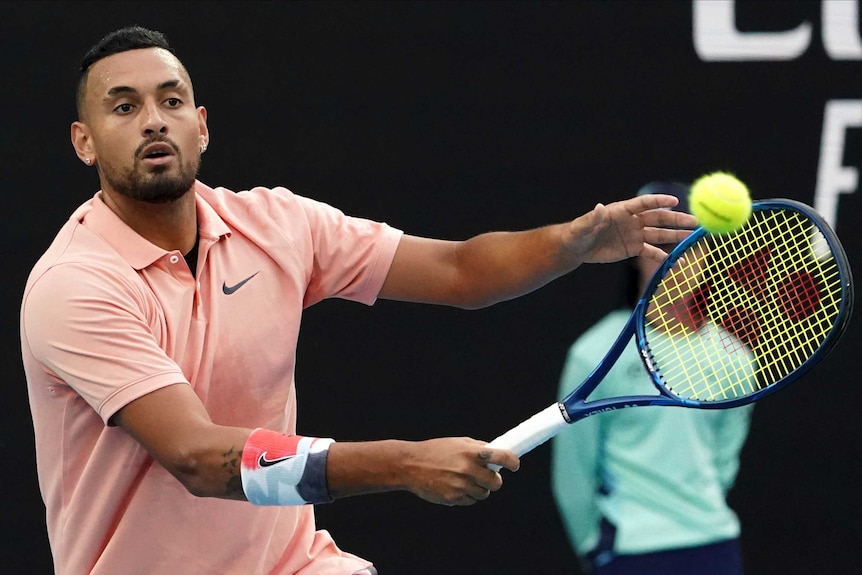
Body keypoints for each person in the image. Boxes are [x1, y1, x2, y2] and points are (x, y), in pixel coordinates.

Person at [20, 26, 695, 575]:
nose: (152, 121)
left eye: (171, 101)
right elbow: (198, 457)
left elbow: (459, 269)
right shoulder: (76, 285)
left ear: (201, 126)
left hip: (293, 564)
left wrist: (573, 242)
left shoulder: (277, 226)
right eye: (123, 106)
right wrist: (406, 462)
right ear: (84, 142)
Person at [550, 181, 755, 575]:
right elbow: (573, 473)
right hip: (629, 553)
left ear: (708, 258)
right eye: (661, 243)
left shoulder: (735, 359)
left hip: (713, 544)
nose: (675, 259)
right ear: (634, 252)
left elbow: (724, 459)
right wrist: (594, 547)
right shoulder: (591, 354)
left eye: (689, 248)